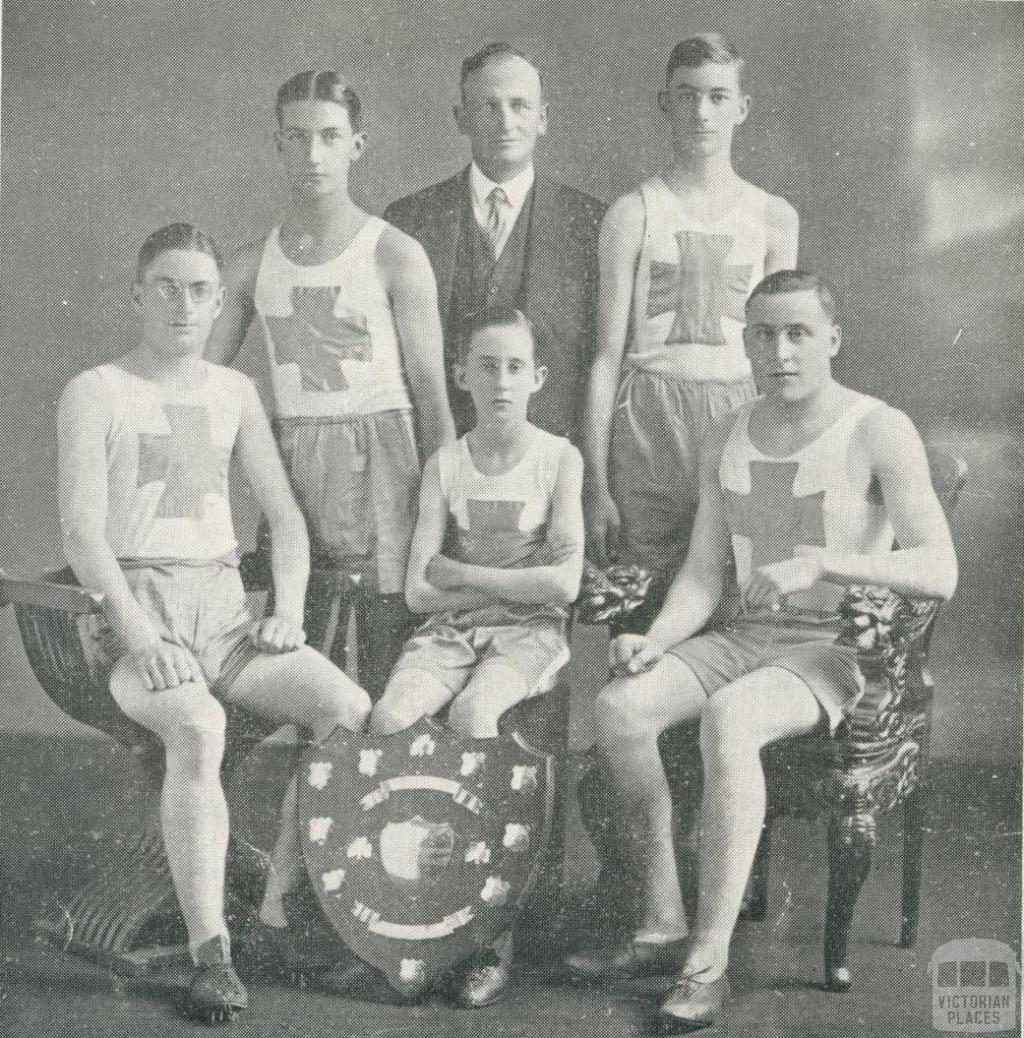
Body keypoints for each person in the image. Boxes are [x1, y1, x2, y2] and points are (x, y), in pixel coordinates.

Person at [565, 270, 958, 1030]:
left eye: (798, 333)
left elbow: (938, 568)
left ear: (832, 339)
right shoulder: (728, 429)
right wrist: (657, 637)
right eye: (764, 334)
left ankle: (707, 962)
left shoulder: (879, 428)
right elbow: (704, 576)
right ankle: (662, 921)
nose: (780, 351)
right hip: (745, 634)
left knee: (732, 717)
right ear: (745, 341)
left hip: (834, 647)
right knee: (619, 708)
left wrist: (823, 563)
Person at [58, 224, 374, 1022]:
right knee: (198, 725)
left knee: (346, 708)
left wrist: (291, 614)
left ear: (219, 302)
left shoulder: (233, 393)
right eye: (165, 286)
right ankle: (212, 953)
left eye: (201, 290)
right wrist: (140, 636)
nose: (183, 304)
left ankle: (278, 902)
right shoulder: (96, 389)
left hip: (228, 620)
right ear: (137, 295)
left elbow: (287, 522)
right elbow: (82, 536)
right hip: (138, 622)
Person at [206, 71, 454, 699]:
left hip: (386, 470)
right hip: (298, 472)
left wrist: (450, 499)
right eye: (297, 138)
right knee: (302, 637)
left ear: (357, 145)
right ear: (279, 146)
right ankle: (318, 786)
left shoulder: (394, 253)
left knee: (387, 645)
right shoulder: (247, 265)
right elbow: (199, 386)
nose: (313, 155)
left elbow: (430, 394)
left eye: (329, 137)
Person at [370, 306, 585, 1007]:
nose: (501, 381)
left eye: (515, 367)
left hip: (529, 635)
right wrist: (490, 585)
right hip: (452, 631)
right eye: (486, 366)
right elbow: (415, 589)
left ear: (538, 378)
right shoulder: (446, 464)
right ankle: (411, 915)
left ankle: (491, 936)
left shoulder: (559, 459)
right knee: (391, 716)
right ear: (461, 375)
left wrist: (466, 576)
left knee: (474, 714)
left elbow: (563, 585)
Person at [583, 34, 800, 632]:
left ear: (741, 107)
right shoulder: (633, 213)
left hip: (739, 416)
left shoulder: (773, 218)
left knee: (737, 602)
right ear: (665, 103)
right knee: (641, 611)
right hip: (649, 426)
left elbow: (787, 362)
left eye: (716, 96)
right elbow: (606, 358)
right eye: (687, 97)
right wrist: (596, 485)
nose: (702, 113)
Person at [384, 42, 604, 444]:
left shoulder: (589, 222)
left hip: (552, 458)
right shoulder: (408, 221)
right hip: (439, 458)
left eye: (520, 105)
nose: (505, 121)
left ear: (543, 118)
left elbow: (602, 359)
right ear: (462, 119)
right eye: (489, 106)